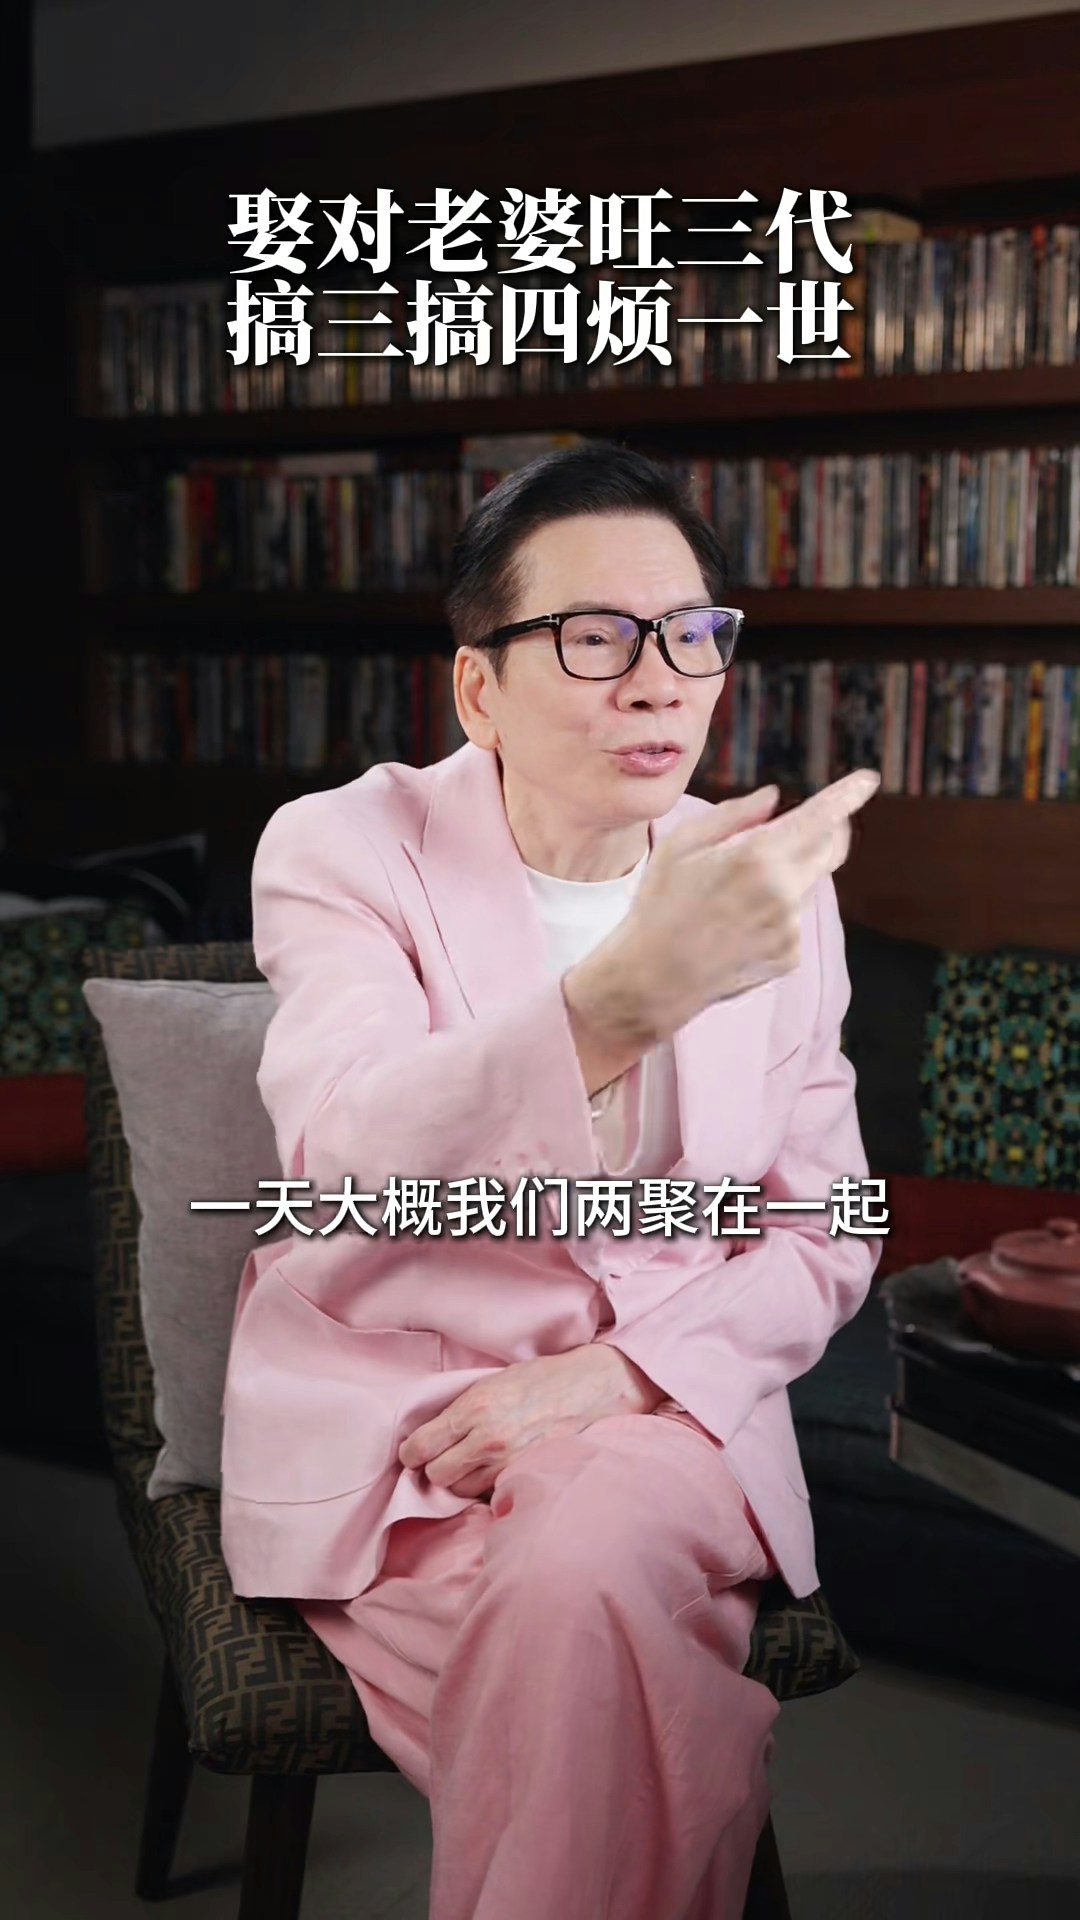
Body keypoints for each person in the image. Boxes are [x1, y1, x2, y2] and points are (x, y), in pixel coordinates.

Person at [220, 442, 883, 1919]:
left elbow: (827, 1231)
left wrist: (619, 1378)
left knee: (586, 1563)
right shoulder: (346, 851)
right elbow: (339, 1160)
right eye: (595, 637)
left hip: (670, 1420)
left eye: (691, 635)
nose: (658, 684)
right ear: (479, 687)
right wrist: (610, 1009)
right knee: (605, 1673)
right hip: (413, 1447)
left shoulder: (771, 882)